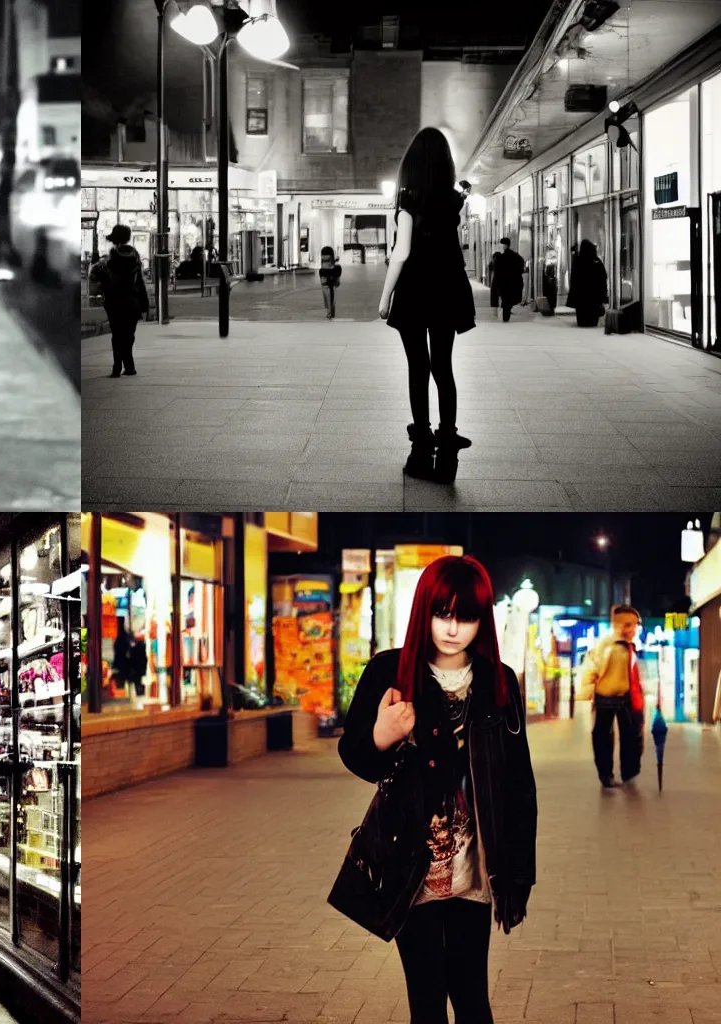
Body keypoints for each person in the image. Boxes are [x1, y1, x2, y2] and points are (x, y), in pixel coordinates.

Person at [337, 555, 537, 1024]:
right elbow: (357, 758)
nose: (452, 628)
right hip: (411, 871)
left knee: (471, 998)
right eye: (442, 613)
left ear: (481, 619)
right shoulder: (390, 672)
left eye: (466, 616)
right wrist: (379, 738)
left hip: (475, 873)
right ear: (423, 611)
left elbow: (518, 785)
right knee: (426, 1001)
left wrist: (520, 873)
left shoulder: (498, 681)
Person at [378, 127, 478, 485]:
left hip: (415, 292)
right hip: (448, 291)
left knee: (418, 369)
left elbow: (401, 252)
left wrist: (385, 296)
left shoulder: (408, 200)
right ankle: (447, 450)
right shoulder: (453, 201)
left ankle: (421, 451)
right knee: (443, 368)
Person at [576, 604, 644, 788]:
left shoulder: (629, 646)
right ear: (618, 625)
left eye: (635, 625)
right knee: (603, 737)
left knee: (631, 735)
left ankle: (629, 772)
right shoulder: (606, 646)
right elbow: (590, 670)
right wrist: (588, 693)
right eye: (629, 625)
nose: (633, 629)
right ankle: (606, 775)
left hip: (626, 697)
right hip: (606, 697)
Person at [90, 223, 150, 377]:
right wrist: (145, 304)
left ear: (114, 240)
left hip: (114, 302)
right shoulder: (135, 258)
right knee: (128, 335)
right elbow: (140, 283)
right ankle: (129, 366)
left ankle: (117, 367)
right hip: (132, 302)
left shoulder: (108, 260)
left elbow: (96, 277)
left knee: (117, 335)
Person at [566, 239, 609, 328]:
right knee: (592, 321)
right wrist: (603, 295)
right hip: (594, 298)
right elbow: (603, 278)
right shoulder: (596, 261)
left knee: (582, 320)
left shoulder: (578, 261)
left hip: (581, 298)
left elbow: (574, 279)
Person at [493, 238, 525, 322]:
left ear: (505, 245)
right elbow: (521, 267)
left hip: (503, 283)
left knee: (505, 299)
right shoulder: (515, 256)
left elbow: (496, 271)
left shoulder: (499, 257)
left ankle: (506, 314)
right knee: (509, 300)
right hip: (513, 282)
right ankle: (507, 313)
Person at [319, 246, 342, 319]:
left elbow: (325, 265)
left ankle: (329, 313)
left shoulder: (323, 262)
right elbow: (332, 265)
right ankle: (331, 314)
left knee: (327, 296)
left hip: (324, 276)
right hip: (332, 276)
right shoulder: (335, 268)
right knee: (332, 297)